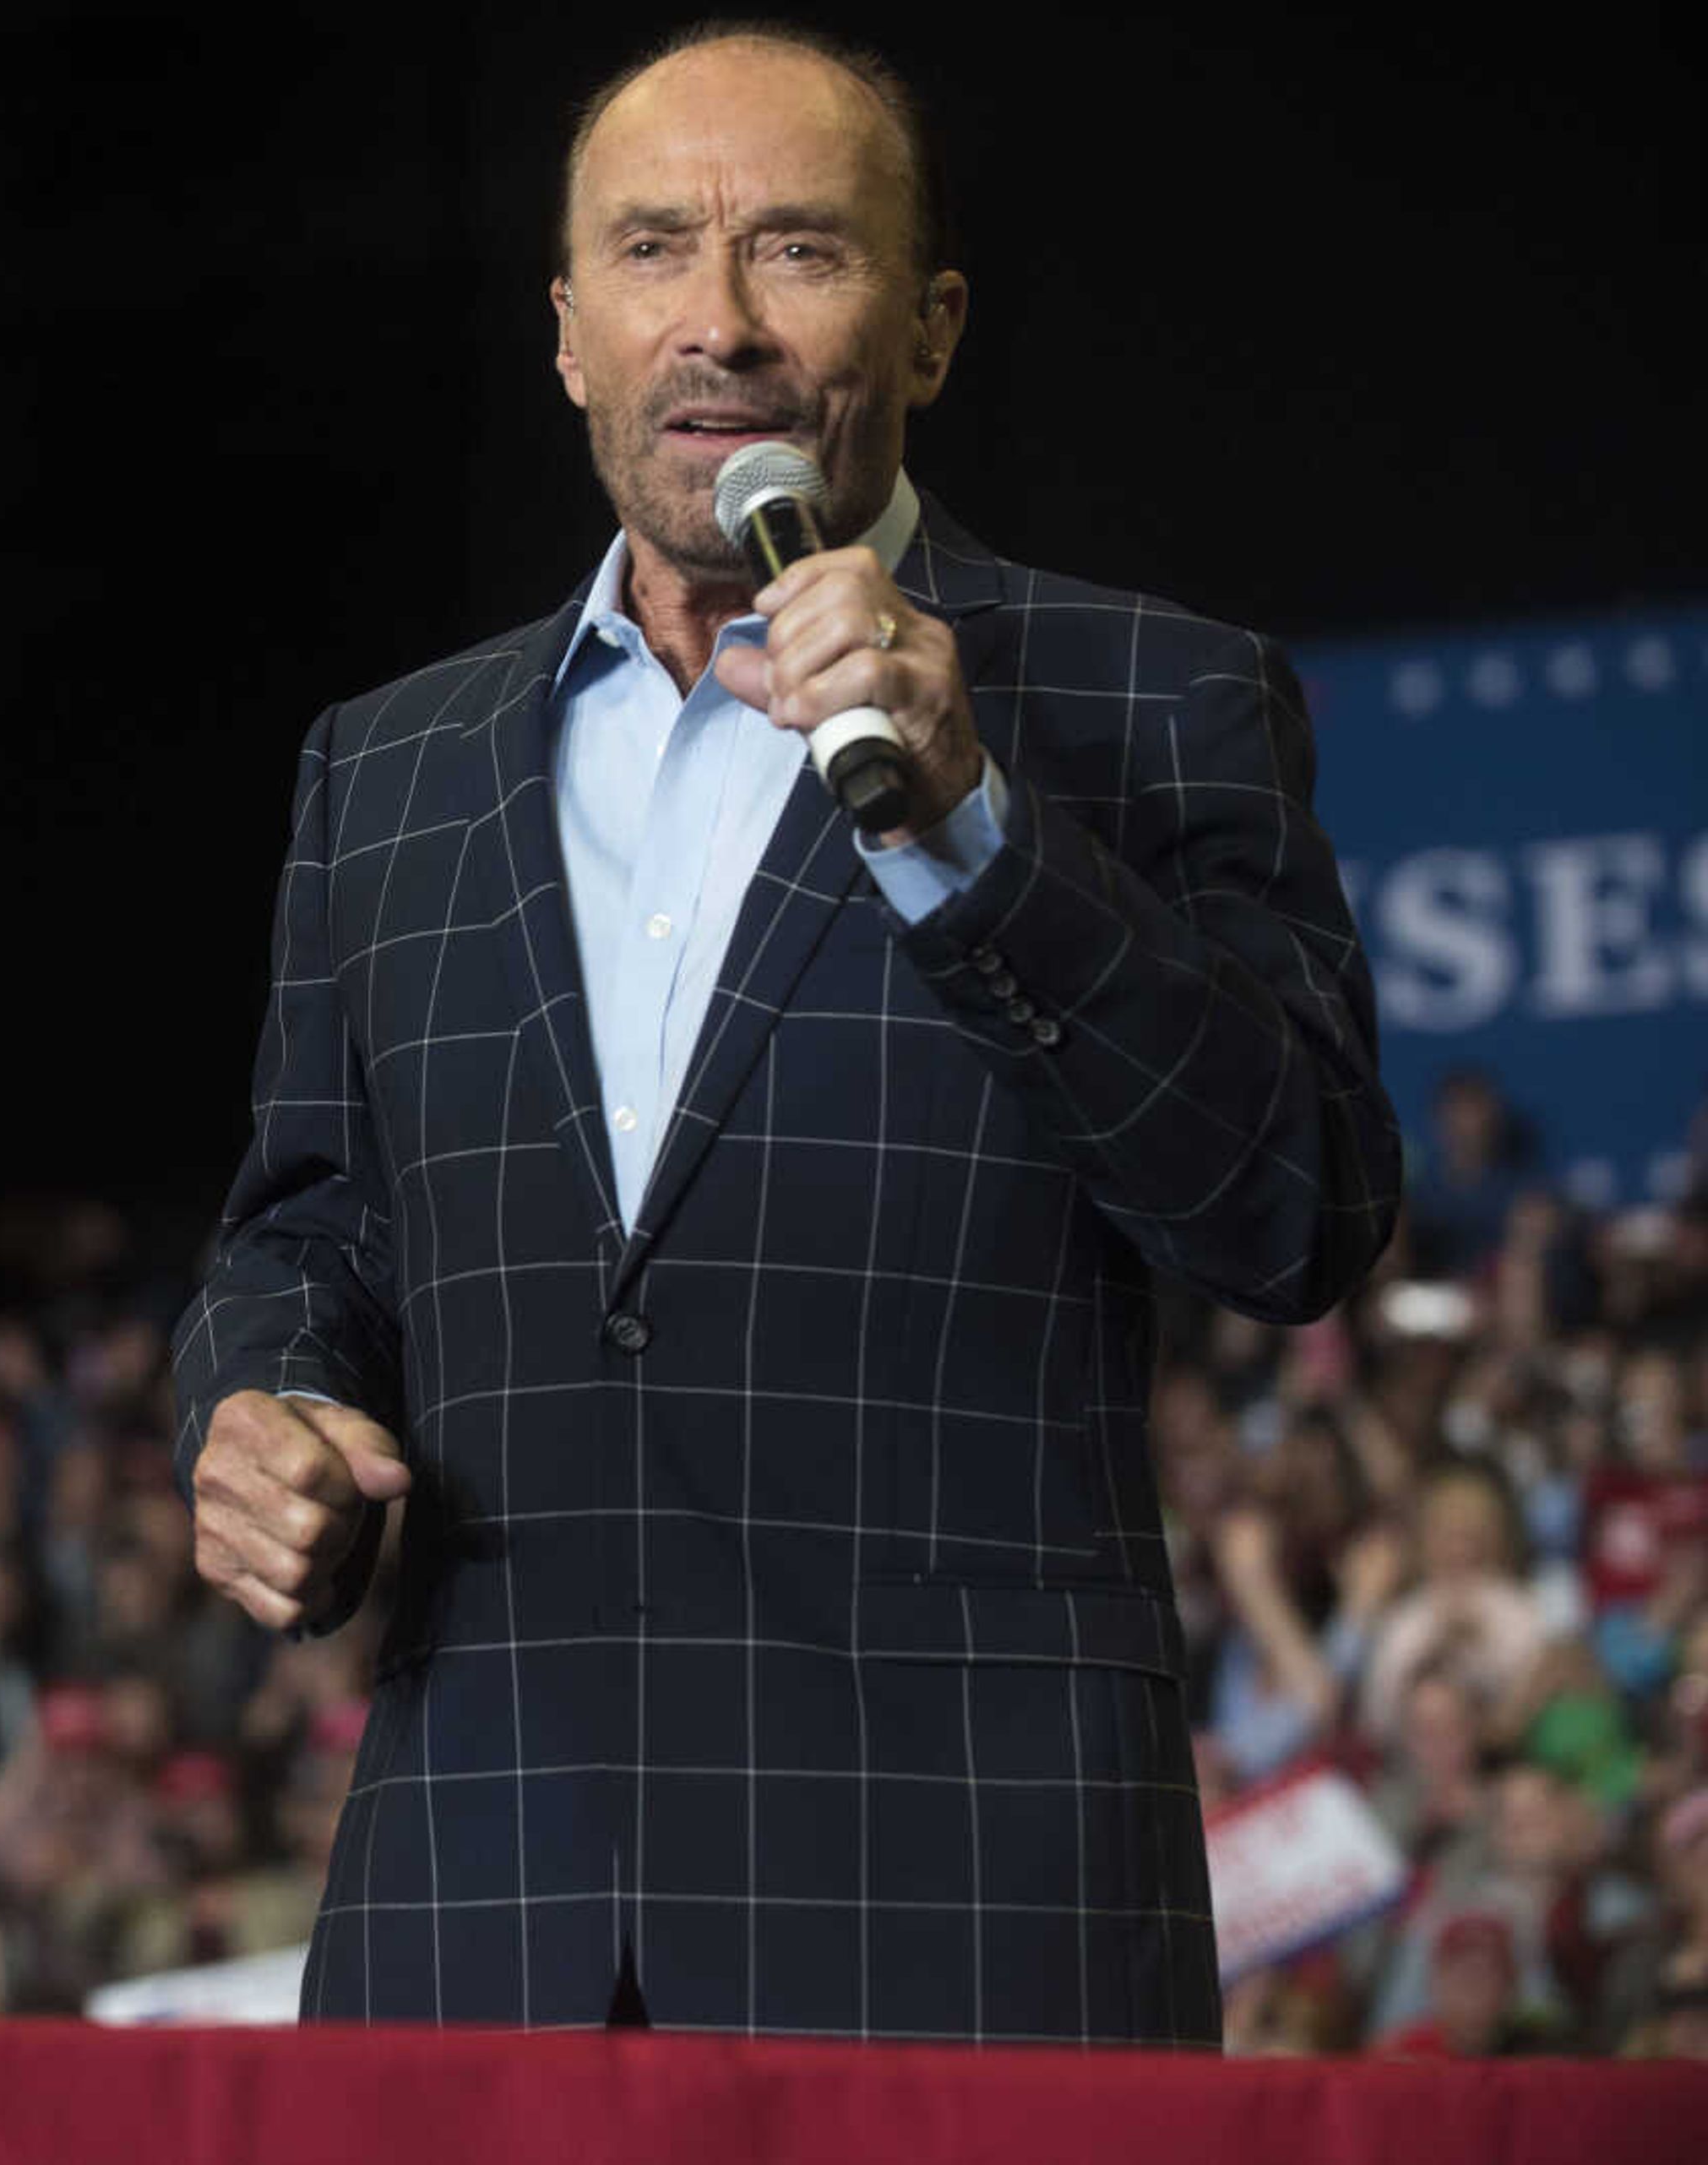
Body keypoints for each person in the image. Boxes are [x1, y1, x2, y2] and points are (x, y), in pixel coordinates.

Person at [173, 23, 1400, 2039]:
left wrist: (981, 828)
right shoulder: (381, 770)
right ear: (568, 333)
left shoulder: (1144, 699)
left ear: (929, 330)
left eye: (800, 251)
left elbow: (1301, 1212)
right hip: (477, 1910)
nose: (719, 322)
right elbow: (307, 1227)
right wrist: (264, 1409)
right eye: (655, 250)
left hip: (970, 1925)